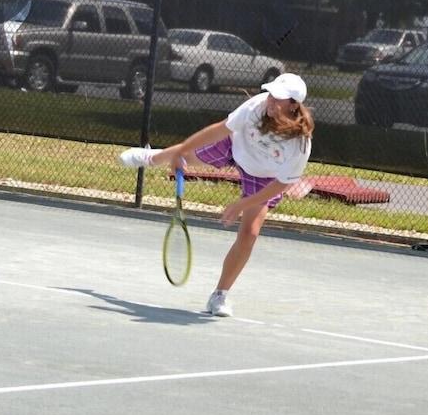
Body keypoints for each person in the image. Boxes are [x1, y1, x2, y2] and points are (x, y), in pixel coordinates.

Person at [119, 73, 314, 317]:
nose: (271, 101)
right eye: (272, 94)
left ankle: (219, 295)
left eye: (280, 99)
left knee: (249, 234)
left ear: (294, 105)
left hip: (263, 178)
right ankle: (151, 157)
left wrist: (244, 203)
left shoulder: (300, 144)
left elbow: (281, 184)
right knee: (186, 156)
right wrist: (182, 150)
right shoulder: (256, 106)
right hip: (235, 146)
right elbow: (218, 130)